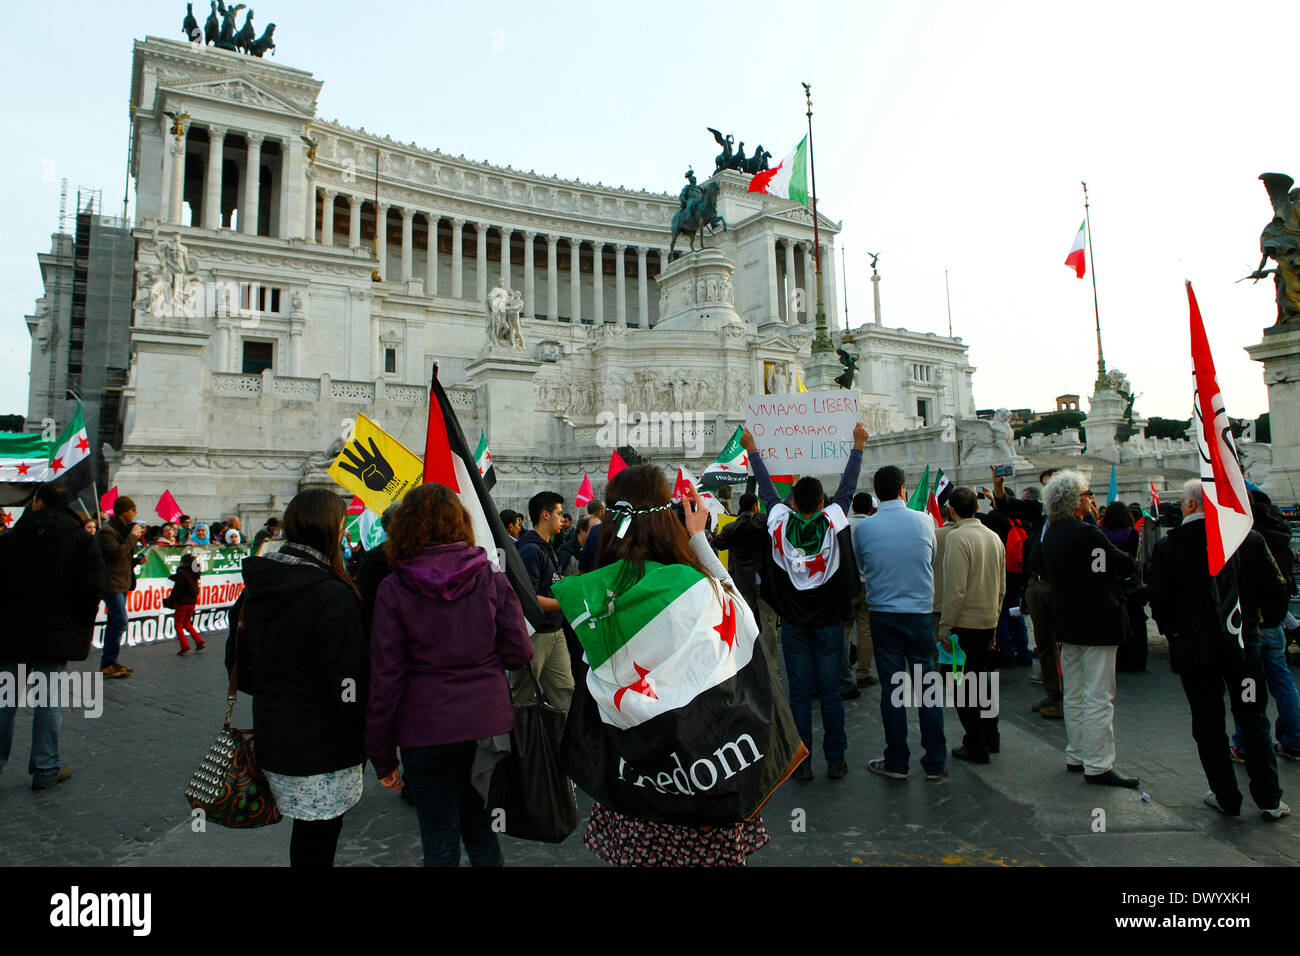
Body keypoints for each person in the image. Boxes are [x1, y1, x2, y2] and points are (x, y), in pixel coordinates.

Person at [579, 466, 771, 866]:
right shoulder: (691, 589)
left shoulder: (595, 599)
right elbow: (741, 621)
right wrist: (699, 538)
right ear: (668, 518)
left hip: (635, 783)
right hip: (701, 776)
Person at [366, 483, 533, 866]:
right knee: (481, 832)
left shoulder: (394, 587)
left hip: (425, 726)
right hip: (485, 724)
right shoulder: (491, 577)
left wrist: (381, 754)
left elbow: (386, 678)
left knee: (438, 838)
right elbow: (520, 652)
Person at [225, 489, 368, 867]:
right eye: (340, 525)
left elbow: (239, 666)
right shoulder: (333, 595)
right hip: (326, 744)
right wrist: (361, 724)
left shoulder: (256, 586)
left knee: (307, 836)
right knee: (319, 838)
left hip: (275, 732)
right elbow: (348, 682)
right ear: (328, 531)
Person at [1148, 480, 1290, 819]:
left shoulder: (1169, 547)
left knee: (1208, 720)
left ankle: (1227, 796)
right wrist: (1264, 622)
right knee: (1253, 716)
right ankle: (1269, 799)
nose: (1181, 507)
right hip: (1243, 644)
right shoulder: (1248, 538)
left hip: (1196, 649)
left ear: (1194, 505)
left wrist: (1174, 631)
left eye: (1183, 502)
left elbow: (1159, 602)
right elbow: (1277, 588)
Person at [741, 424, 867, 781]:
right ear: (823, 503)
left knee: (798, 696)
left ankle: (801, 762)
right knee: (831, 694)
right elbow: (849, 485)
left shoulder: (779, 522)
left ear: (793, 503)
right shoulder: (835, 518)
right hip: (829, 626)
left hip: (794, 626)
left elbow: (766, 491)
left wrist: (753, 448)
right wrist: (857, 444)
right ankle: (836, 759)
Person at [0, 483, 106, 790]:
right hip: (55, 634)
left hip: (10, 633)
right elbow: (92, 589)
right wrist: (76, 624)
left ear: (38, 503)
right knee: (48, 701)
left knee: (4, 701)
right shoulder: (81, 542)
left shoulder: (9, 540)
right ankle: (46, 767)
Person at [1036, 471, 1139, 787]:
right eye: (1087, 494)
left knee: (1077, 692)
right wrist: (1094, 525)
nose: (1092, 499)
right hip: (1097, 621)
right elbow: (1124, 563)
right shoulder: (1087, 533)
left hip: (1069, 623)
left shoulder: (1052, 532)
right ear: (1074, 501)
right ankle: (1098, 763)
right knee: (1099, 695)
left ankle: (1077, 753)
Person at [854, 465, 946, 780]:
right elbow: (930, 559)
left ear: (877, 493)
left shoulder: (864, 528)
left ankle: (897, 761)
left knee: (892, 690)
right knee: (928, 689)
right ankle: (935, 761)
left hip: (884, 614)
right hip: (920, 615)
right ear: (903, 489)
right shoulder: (925, 520)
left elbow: (862, 567)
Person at [936, 488, 1006, 764]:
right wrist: (995, 623)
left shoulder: (957, 538)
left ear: (952, 510)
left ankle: (975, 743)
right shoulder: (994, 537)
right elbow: (1001, 587)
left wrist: (945, 627)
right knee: (981, 680)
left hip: (962, 626)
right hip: (987, 620)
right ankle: (991, 735)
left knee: (960, 685)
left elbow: (955, 590)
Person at [1230, 488, 1300, 761]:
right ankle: (1293, 739)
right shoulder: (1280, 532)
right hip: (1276, 622)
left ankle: (1245, 745)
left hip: (1250, 626)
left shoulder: (1245, 537)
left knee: (1247, 688)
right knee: (1283, 684)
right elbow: (1280, 585)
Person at [986, 469, 1061, 716]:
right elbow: (1005, 503)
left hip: (1061, 587)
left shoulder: (1075, 521)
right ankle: (1053, 695)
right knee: (1045, 644)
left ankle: (1067, 697)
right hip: (1036, 584)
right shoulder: (1039, 512)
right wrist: (998, 486)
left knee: (1064, 644)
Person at [513, 491, 574, 713]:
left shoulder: (548, 546)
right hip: (535, 634)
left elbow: (551, 584)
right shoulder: (530, 550)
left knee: (565, 690)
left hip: (555, 631)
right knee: (524, 695)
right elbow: (529, 598)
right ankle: (526, 745)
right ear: (545, 515)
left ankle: (561, 742)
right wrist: (566, 601)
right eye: (558, 513)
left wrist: (571, 585)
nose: (562, 519)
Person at [714, 492, 777, 660]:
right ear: (756, 506)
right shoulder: (763, 522)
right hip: (763, 581)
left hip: (742, 582)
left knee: (743, 624)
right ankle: (770, 663)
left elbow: (718, 544)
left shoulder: (730, 528)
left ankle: (744, 661)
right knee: (769, 624)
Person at [96, 496, 146, 678]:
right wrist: (133, 537)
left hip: (121, 582)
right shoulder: (107, 532)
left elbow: (121, 557)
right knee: (118, 621)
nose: (136, 513)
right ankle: (107, 662)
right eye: (133, 510)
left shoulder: (122, 531)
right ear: (124, 511)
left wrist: (135, 561)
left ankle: (109, 662)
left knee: (115, 623)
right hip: (111, 584)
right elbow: (117, 553)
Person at [1101, 500, 1149, 672]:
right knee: (1136, 621)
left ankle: (1118, 660)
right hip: (1129, 583)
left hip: (1111, 582)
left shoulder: (1101, 533)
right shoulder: (1133, 534)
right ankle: (1136, 660)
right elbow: (1131, 559)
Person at [845, 492, 878, 688]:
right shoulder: (874, 525)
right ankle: (863, 672)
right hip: (867, 582)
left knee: (845, 628)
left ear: (854, 508)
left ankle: (843, 670)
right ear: (871, 509)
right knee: (865, 627)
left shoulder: (843, 523)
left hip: (847, 582)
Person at [170, 552, 205, 654]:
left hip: (183, 603)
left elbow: (177, 590)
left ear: (183, 563)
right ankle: (199, 641)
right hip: (192, 603)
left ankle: (185, 645)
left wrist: (172, 601)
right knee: (187, 623)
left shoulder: (182, 573)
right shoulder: (194, 573)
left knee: (178, 625)